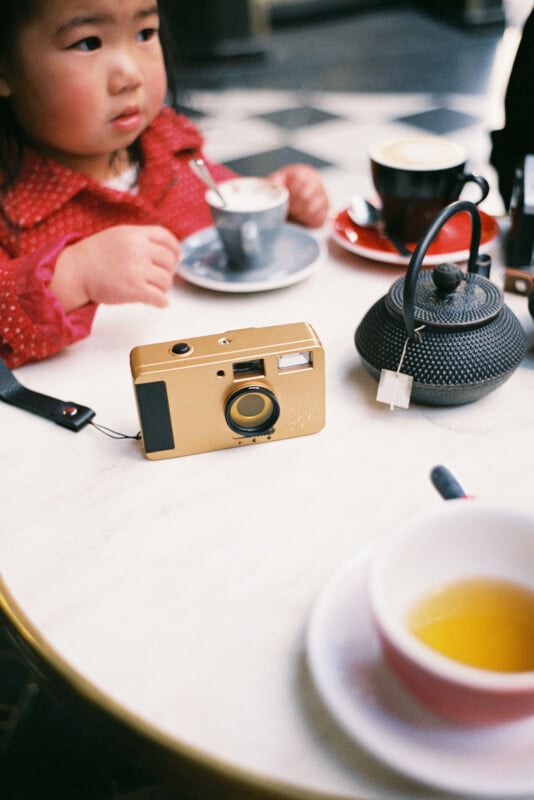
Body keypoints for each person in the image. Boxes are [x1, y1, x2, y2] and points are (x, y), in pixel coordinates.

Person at [0, 0, 329, 369]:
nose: (130, 75)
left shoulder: (168, 148)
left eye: (145, 33)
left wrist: (276, 200)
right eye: (88, 42)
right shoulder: (10, 205)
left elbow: (221, 200)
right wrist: (73, 275)